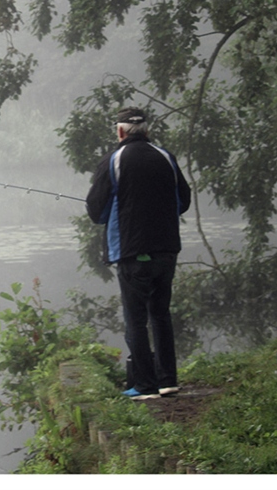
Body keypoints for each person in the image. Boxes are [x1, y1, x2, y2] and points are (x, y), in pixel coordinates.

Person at [86, 107, 191, 400]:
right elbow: (183, 200)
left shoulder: (114, 160)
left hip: (132, 251)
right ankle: (168, 380)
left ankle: (145, 385)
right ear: (147, 130)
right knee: (160, 314)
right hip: (167, 249)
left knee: (135, 318)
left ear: (120, 131)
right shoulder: (166, 157)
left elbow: (96, 210)